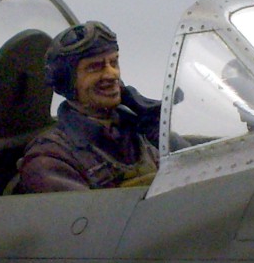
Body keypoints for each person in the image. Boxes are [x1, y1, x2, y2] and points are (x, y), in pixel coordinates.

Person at [16, 21, 161, 192]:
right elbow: (88, 209)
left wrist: (154, 121)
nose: (112, 74)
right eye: (95, 67)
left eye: (114, 63)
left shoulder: (139, 131)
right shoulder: (49, 159)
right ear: (67, 82)